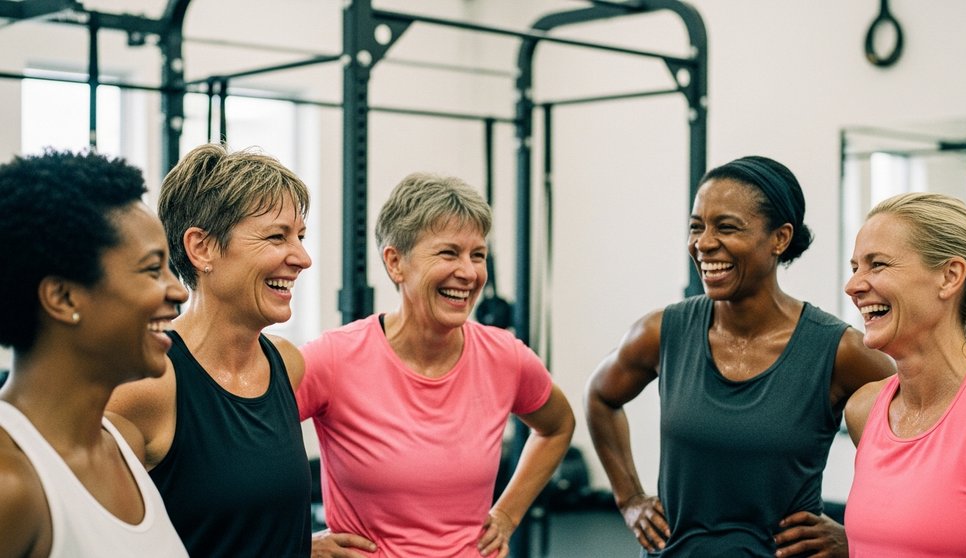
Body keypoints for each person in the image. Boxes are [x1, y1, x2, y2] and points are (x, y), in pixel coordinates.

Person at [585, 155, 896, 557]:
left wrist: (858, 538)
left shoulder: (841, 352)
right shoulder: (661, 333)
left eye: (726, 227)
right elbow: (600, 398)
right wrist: (629, 499)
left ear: (780, 238)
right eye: (696, 227)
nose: (703, 243)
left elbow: (915, 458)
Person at [297, 172, 576, 557]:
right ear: (396, 262)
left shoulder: (505, 357)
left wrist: (508, 515)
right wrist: (294, 541)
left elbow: (558, 426)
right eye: (448, 253)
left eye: (477, 255)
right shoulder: (333, 358)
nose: (469, 272)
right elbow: (245, 446)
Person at [106, 144, 363, 557]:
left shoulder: (284, 362)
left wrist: (300, 545)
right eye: (277, 236)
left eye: (299, 237)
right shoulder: (148, 383)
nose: (302, 257)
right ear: (202, 248)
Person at [0, 150, 189, 557]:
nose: (178, 291)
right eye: (153, 270)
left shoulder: (123, 444)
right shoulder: (9, 482)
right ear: (64, 297)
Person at [843, 192, 966, 556]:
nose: (854, 286)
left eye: (877, 265)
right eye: (855, 268)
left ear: (949, 276)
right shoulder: (865, 410)